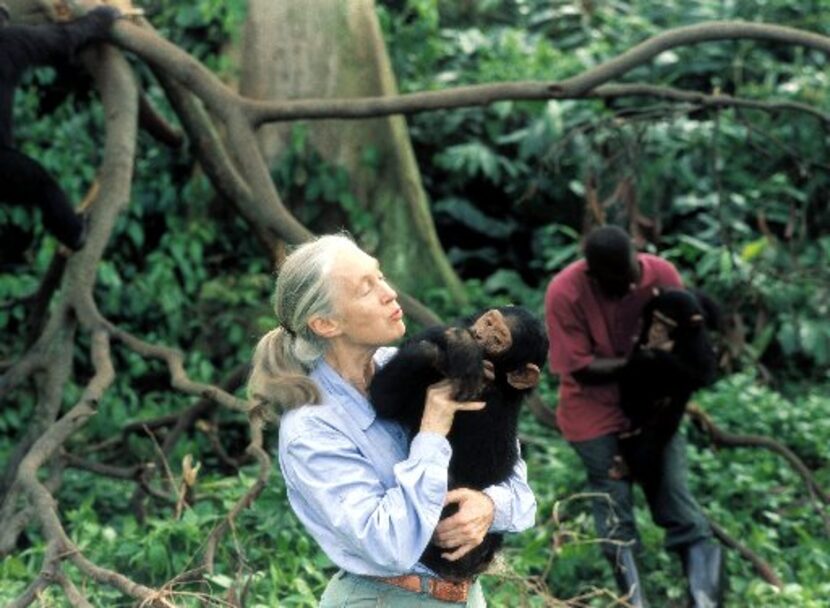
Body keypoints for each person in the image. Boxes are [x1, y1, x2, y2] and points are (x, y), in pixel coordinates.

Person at [248, 234, 537, 606]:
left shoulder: (401, 365)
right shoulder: (311, 428)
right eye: (366, 289)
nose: (389, 293)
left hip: (464, 595)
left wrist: (489, 506)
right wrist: (432, 429)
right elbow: (391, 547)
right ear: (325, 324)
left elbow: (519, 490)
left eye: (380, 275)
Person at [544, 225, 723, 608]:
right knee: (614, 511)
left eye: (633, 277)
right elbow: (579, 368)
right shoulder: (566, 292)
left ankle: (704, 602)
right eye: (617, 283)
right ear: (594, 275)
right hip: (592, 410)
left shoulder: (661, 274)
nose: (629, 289)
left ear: (638, 258)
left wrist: (661, 414)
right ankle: (632, 601)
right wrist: (640, 363)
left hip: (654, 407)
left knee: (676, 500)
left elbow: (692, 356)